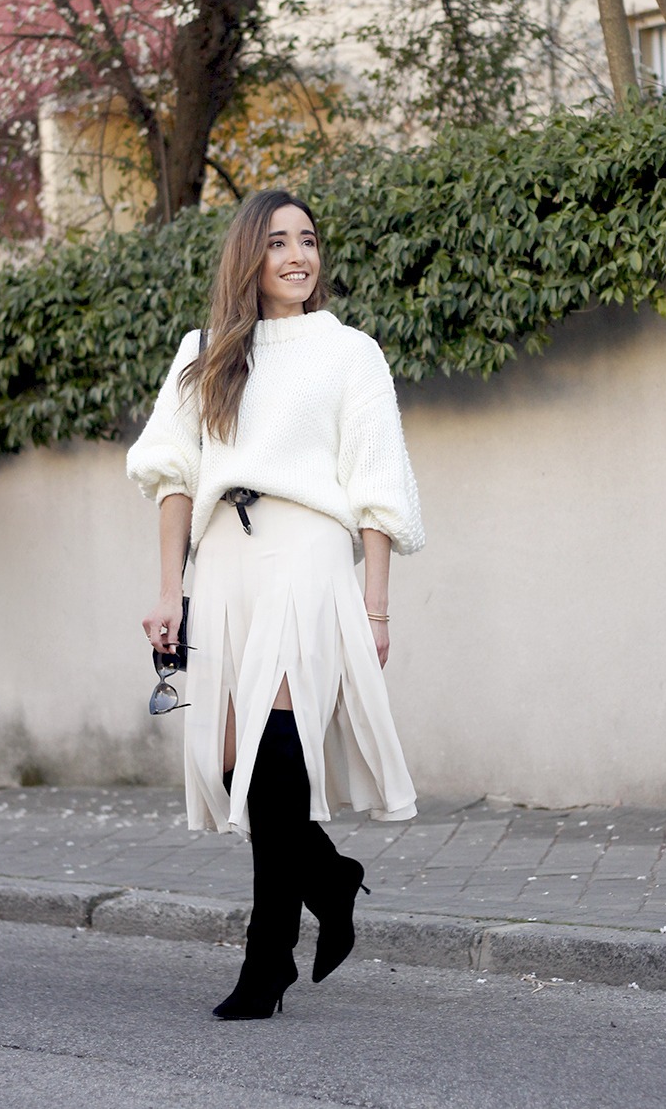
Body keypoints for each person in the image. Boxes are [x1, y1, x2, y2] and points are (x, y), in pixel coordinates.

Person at [127, 189, 424, 1020]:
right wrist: (168, 594)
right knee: (231, 762)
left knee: (278, 749)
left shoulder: (350, 353)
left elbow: (377, 488)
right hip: (224, 562)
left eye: (310, 241)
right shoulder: (205, 351)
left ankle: (269, 960)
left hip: (305, 557)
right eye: (280, 242)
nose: (299, 256)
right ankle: (330, 878)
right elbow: (173, 478)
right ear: (249, 256)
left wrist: (376, 609)